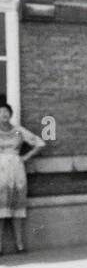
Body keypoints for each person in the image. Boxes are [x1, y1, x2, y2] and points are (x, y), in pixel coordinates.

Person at [0, 100, 45, 255]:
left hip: (16, 169)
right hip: (1, 170)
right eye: (0, 112)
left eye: (6, 112)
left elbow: (39, 143)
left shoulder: (18, 131)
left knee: (17, 208)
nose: (3, 115)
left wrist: (25, 157)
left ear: (10, 114)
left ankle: (20, 244)